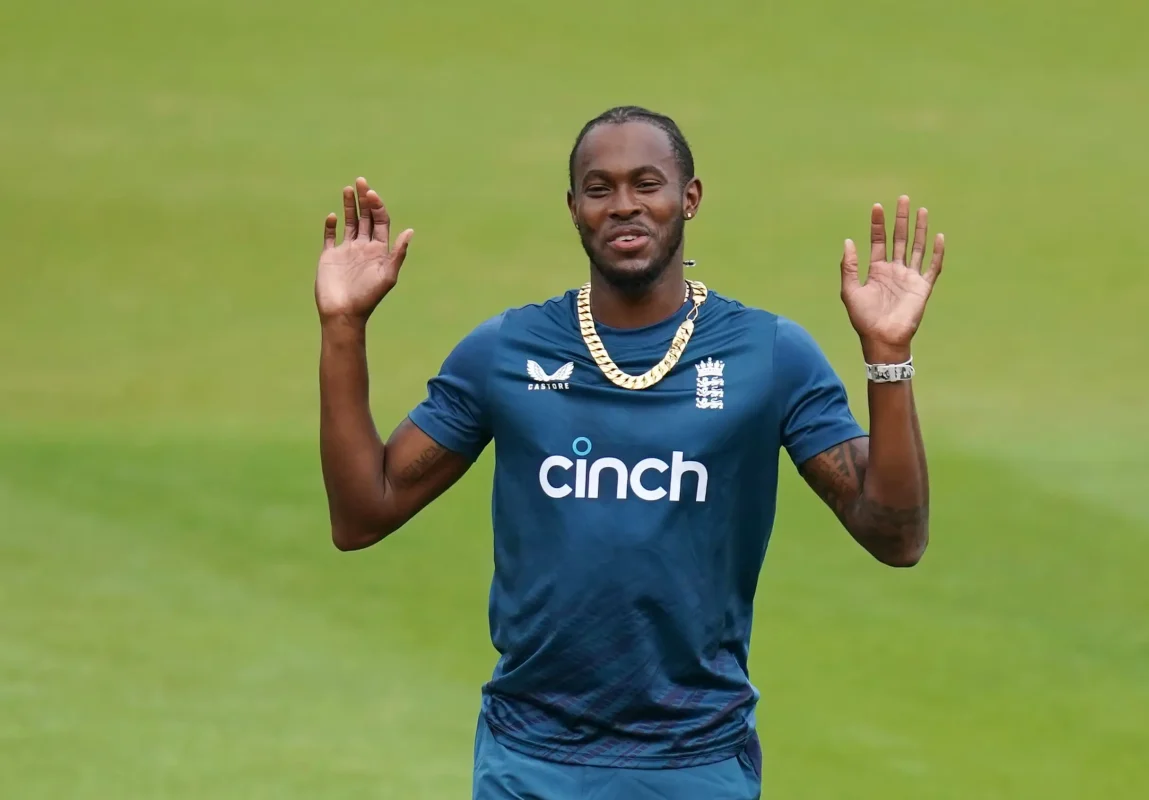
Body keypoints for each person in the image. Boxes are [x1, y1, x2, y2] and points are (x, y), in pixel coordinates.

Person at [314, 105, 944, 800]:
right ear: (574, 208)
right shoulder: (506, 353)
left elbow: (896, 537)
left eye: (647, 183)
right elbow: (362, 514)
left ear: (690, 198)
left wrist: (888, 357)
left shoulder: (767, 356)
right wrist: (344, 325)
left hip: (695, 761)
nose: (624, 206)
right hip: (531, 761)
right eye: (599, 188)